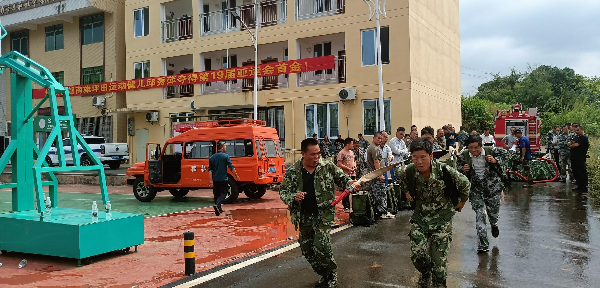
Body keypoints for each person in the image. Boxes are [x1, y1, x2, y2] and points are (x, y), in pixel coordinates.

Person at [279, 138, 358, 287]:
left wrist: (351, 183)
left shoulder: (327, 166)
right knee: (306, 247)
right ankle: (324, 273)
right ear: (303, 154)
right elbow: (283, 191)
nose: (317, 157)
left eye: (319, 153)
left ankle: (332, 274)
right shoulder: (294, 172)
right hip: (305, 215)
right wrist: (293, 197)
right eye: (313, 154)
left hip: (324, 213)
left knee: (321, 243)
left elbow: (342, 179)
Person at [395, 138, 470, 288]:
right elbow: (399, 175)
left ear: (431, 156)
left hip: (442, 221)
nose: (419, 161)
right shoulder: (407, 171)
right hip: (420, 220)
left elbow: (465, 184)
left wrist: (461, 202)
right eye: (415, 157)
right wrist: (407, 191)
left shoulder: (444, 171)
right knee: (418, 256)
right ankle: (425, 271)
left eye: (423, 157)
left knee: (439, 267)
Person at [457, 135, 504, 254]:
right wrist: (462, 169)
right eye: (470, 148)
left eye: (476, 148)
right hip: (476, 190)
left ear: (481, 145)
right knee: (480, 214)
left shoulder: (492, 151)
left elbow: (508, 159)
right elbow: (456, 170)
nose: (473, 151)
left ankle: (494, 224)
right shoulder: (464, 155)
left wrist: (495, 161)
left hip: (492, 189)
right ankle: (483, 244)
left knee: (493, 214)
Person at [208, 141, 241, 216]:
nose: (226, 148)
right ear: (222, 147)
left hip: (215, 179)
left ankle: (218, 209)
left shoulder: (212, 157)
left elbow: (210, 170)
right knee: (224, 193)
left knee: (216, 194)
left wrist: (211, 180)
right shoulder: (226, 156)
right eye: (225, 146)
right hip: (223, 179)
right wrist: (236, 175)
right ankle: (217, 205)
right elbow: (231, 167)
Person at [366, 131, 390, 219]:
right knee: (380, 193)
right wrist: (380, 175)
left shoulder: (372, 147)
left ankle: (376, 212)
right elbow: (376, 162)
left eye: (381, 138)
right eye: (378, 138)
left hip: (372, 174)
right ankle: (382, 212)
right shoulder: (375, 149)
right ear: (374, 138)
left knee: (374, 194)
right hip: (376, 175)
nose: (380, 140)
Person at [568, 124, 590, 193]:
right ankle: (579, 186)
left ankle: (584, 187)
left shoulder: (584, 137)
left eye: (578, 130)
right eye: (576, 131)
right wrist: (571, 144)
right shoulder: (577, 137)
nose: (576, 132)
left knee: (581, 172)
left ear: (582, 130)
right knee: (575, 172)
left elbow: (575, 145)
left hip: (580, 158)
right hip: (574, 157)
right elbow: (568, 143)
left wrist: (571, 144)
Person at [337, 138, 357, 212]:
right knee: (346, 190)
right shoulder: (341, 153)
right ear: (348, 144)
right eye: (352, 144)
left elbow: (354, 161)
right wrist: (347, 168)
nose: (353, 145)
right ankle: (346, 206)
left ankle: (353, 205)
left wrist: (354, 166)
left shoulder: (352, 152)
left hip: (353, 174)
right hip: (345, 175)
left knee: (353, 189)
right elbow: (339, 164)